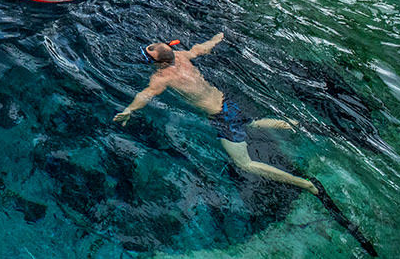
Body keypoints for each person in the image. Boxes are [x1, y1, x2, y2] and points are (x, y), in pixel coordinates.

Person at [114, 33, 319, 194]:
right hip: (228, 101)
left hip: (222, 118)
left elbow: (145, 95)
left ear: (160, 62)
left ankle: (303, 183)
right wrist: (217, 37)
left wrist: (128, 110)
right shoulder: (183, 56)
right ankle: (297, 125)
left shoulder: (162, 78)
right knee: (252, 123)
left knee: (245, 164)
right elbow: (201, 48)